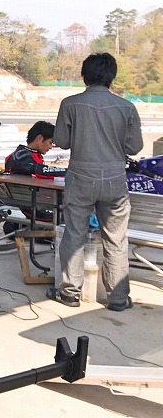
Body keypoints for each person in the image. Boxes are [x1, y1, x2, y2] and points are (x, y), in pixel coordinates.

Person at [47, 52, 143, 311]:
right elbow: (134, 147)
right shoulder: (127, 107)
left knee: (75, 235)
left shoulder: (70, 104)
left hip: (80, 176)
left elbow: (63, 142)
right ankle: (118, 298)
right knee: (116, 239)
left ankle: (69, 293)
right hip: (114, 178)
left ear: (84, 76)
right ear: (112, 77)